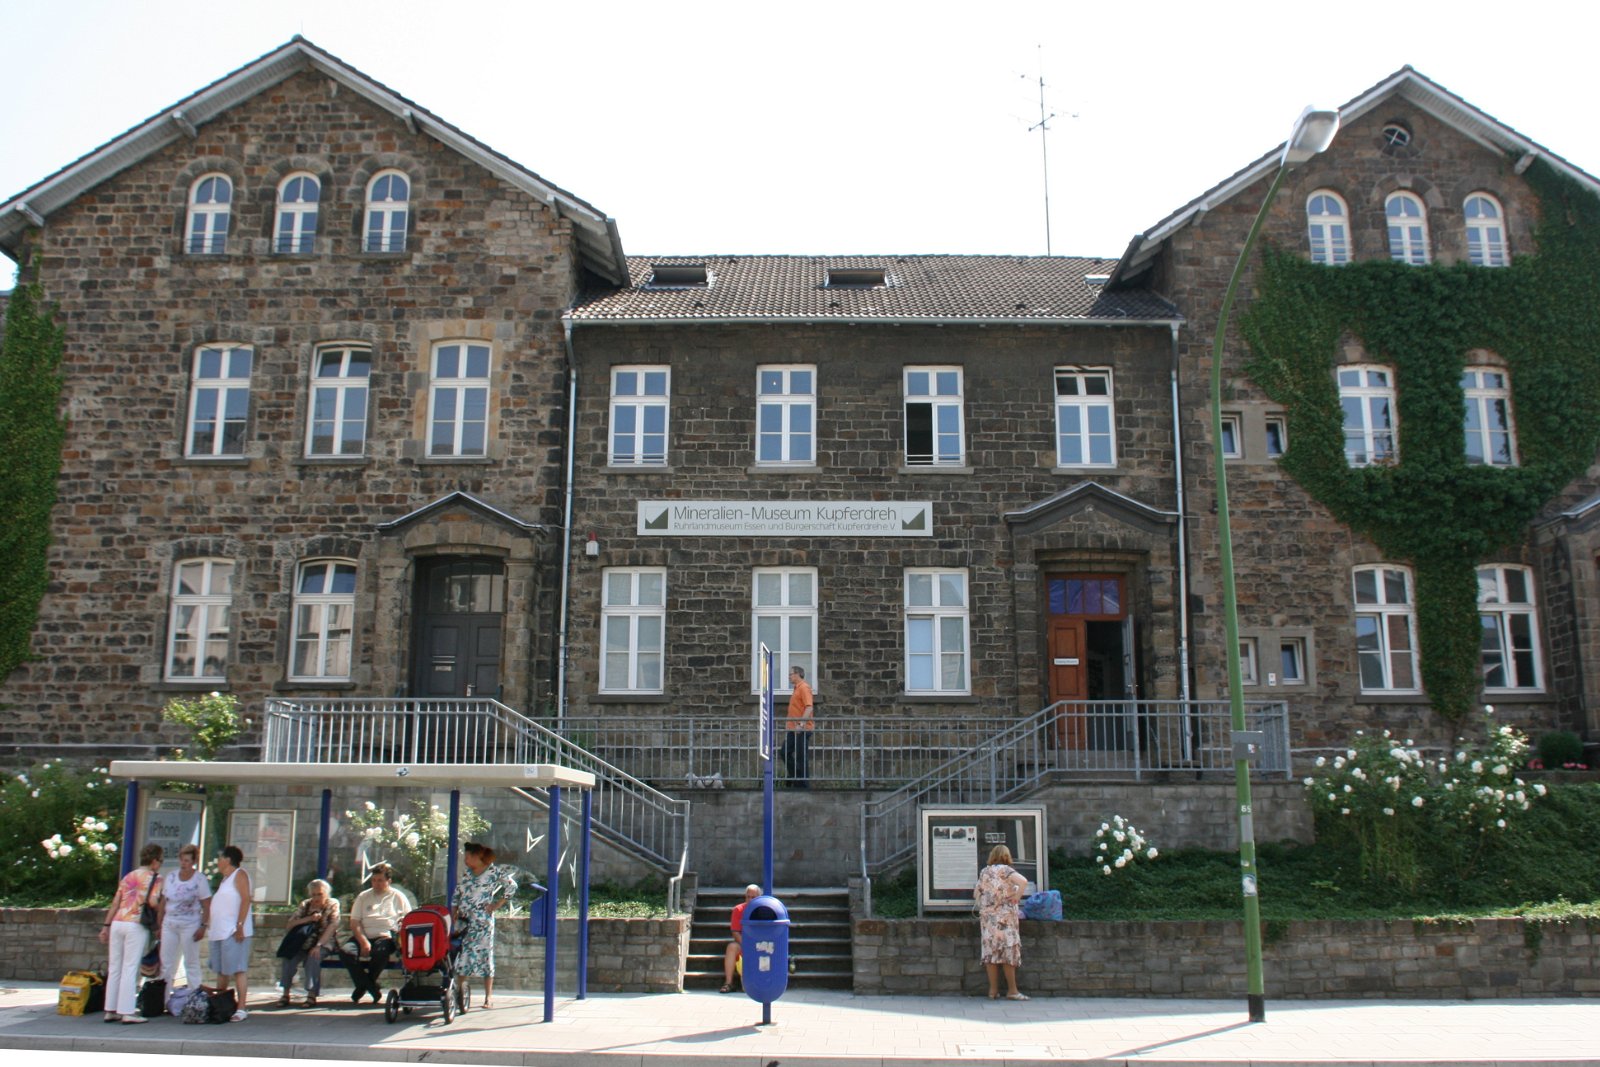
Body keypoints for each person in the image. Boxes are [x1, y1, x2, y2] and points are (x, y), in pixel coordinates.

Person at [99, 843, 163, 1024]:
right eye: (160, 860)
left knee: (115, 968)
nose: (160, 864)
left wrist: (106, 926)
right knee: (130, 967)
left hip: (118, 922)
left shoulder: (128, 876)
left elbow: (115, 903)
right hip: (136, 924)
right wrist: (160, 913)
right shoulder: (155, 878)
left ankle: (110, 1009)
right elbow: (152, 901)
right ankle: (127, 1011)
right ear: (153, 861)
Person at [451, 842, 517, 1008]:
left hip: (482, 922)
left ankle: (488, 997)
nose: (465, 860)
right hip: (464, 922)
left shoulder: (493, 871)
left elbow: (511, 886)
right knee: (463, 956)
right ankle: (460, 993)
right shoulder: (467, 874)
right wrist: (454, 912)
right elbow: (457, 893)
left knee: (486, 956)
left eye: (468, 857)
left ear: (477, 857)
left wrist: (496, 905)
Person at [338, 862, 412, 1005]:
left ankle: (363, 987)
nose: (376, 883)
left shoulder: (398, 897)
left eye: (380, 880)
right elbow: (355, 923)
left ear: (388, 881)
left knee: (380, 952)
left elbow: (408, 919)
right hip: (364, 935)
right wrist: (363, 941)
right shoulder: (363, 896)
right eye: (374, 880)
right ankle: (371, 987)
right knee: (346, 952)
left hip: (386, 937)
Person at [156, 842, 211, 1006]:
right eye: (182, 860)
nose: (184, 864)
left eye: (188, 860)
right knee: (166, 963)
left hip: (190, 923)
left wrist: (203, 925)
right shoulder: (172, 877)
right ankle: (163, 999)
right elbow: (163, 902)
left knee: (191, 961)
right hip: (170, 922)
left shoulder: (199, 879)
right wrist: (159, 924)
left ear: (193, 862)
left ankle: (195, 1000)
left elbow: (207, 904)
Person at [974, 844, 1029, 1001]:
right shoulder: (1006, 870)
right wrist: (1017, 896)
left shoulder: (985, 871)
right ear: (1006, 856)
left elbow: (976, 892)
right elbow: (1023, 881)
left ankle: (993, 991)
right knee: (1008, 953)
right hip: (1005, 919)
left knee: (991, 954)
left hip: (988, 920)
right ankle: (1012, 990)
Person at [208, 843, 254, 1021]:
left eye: (220, 858)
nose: (218, 862)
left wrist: (240, 925)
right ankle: (222, 1004)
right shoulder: (224, 880)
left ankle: (242, 1007)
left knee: (238, 969)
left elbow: (245, 899)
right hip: (219, 931)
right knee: (221, 970)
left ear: (228, 860)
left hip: (233, 931)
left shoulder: (239, 875)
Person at [278, 878, 340, 1007]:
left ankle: (311, 994)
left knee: (313, 957)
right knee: (289, 958)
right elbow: (290, 924)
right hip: (302, 942)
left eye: (320, 894)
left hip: (323, 942)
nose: (316, 898)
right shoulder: (305, 905)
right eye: (314, 894)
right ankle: (285, 993)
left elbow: (332, 926)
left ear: (326, 893)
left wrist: (318, 945)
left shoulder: (332, 904)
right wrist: (308, 919)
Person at [720, 883, 761, 993]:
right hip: (744, 943)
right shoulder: (738, 910)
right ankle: (728, 983)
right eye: (748, 897)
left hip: (761, 943)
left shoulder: (764, 910)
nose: (750, 899)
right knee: (731, 947)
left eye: (753, 897)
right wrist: (748, 945)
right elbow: (735, 932)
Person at [783, 665, 814, 787]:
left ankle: (803, 786)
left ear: (797, 674)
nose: (789, 677)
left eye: (790, 674)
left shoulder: (804, 688)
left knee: (801, 758)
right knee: (784, 752)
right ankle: (795, 777)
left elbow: (809, 707)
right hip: (793, 729)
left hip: (802, 729)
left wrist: (801, 724)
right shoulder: (796, 689)